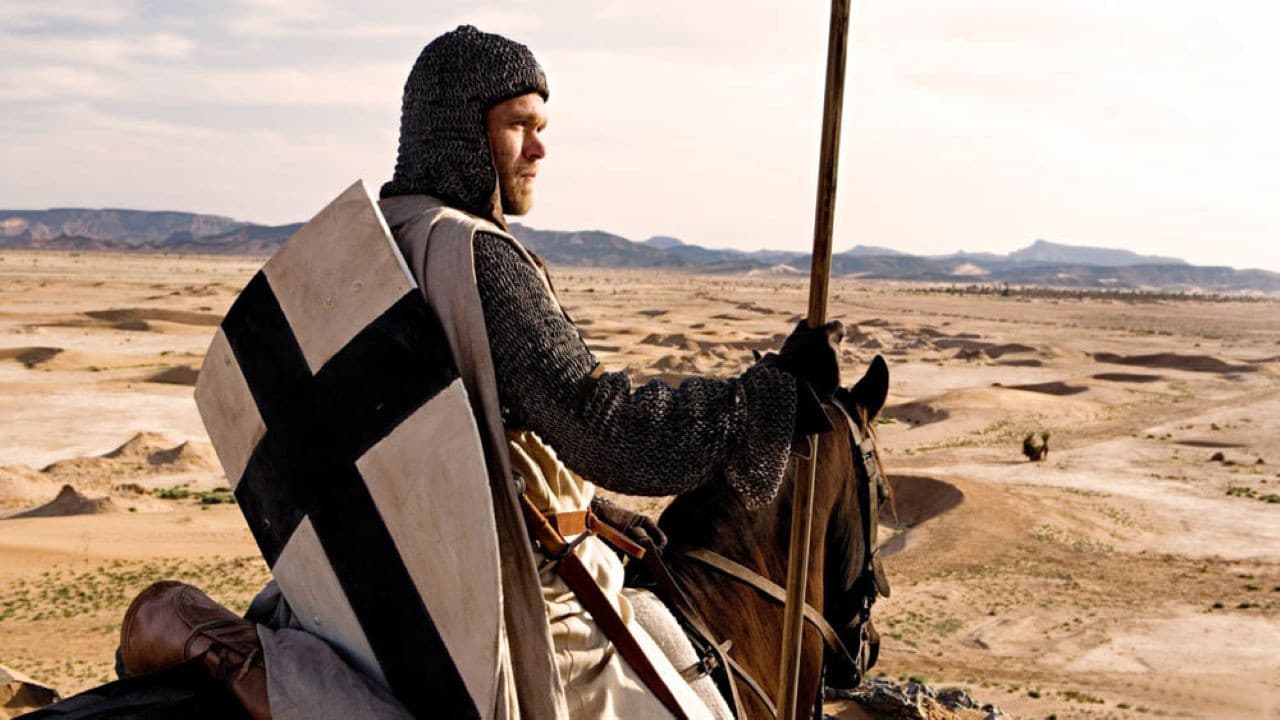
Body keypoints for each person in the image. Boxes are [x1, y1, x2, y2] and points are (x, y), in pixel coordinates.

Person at [115, 25, 843, 720]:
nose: (540, 148)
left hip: (367, 592)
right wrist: (764, 403)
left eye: (542, 126)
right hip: (498, 607)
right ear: (464, 131)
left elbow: (464, 447)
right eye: (520, 125)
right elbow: (602, 426)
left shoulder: (373, 246)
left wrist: (589, 510)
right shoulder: (474, 256)